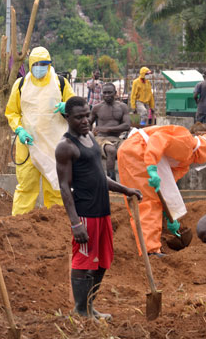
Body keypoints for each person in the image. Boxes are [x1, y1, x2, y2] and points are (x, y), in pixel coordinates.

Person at [56, 96, 142, 320]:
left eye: (87, 115)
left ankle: (90, 305)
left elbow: (100, 176)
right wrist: (75, 223)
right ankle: (81, 311)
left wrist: (126, 190)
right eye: (79, 117)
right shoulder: (66, 147)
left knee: (102, 261)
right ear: (67, 118)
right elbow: (64, 187)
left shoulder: (90, 138)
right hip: (85, 213)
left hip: (103, 211)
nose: (85, 120)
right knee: (83, 261)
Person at [117, 125, 206, 257]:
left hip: (138, 153)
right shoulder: (186, 142)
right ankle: (150, 251)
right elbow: (157, 140)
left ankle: (149, 248)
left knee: (151, 201)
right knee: (148, 202)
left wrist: (169, 215)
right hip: (137, 152)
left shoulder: (184, 163)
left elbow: (167, 187)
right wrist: (151, 168)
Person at [5, 46, 75, 215]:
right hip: (29, 145)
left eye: (44, 63)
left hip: (55, 146)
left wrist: (68, 107)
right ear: (30, 65)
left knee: (56, 187)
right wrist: (19, 130)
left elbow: (77, 107)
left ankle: (58, 225)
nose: (40, 67)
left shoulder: (60, 83)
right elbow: (12, 112)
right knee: (26, 187)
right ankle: (19, 225)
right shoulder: (21, 84)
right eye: (37, 64)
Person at [90, 83, 131, 180]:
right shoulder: (97, 108)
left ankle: (128, 180)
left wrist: (107, 129)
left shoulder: (122, 107)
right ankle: (111, 180)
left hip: (118, 139)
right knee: (111, 150)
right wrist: (89, 136)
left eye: (109, 92)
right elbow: (88, 122)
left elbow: (127, 125)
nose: (107, 95)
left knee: (130, 149)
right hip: (101, 139)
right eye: (105, 93)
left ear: (115, 93)